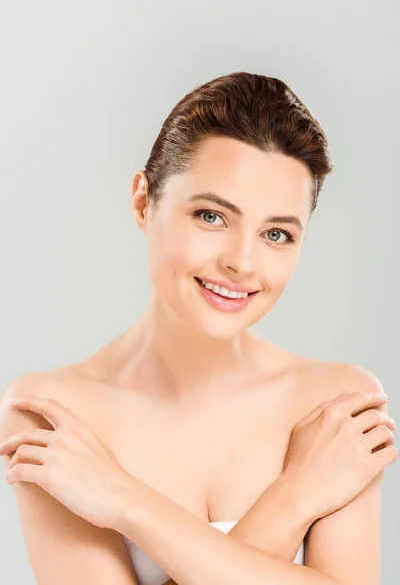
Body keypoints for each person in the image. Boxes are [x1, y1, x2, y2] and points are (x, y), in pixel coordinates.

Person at [0, 71, 397, 585]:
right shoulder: (50, 417)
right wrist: (296, 497)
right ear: (144, 202)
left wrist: (123, 501)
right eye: (212, 217)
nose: (242, 263)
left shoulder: (338, 406)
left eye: (276, 233)